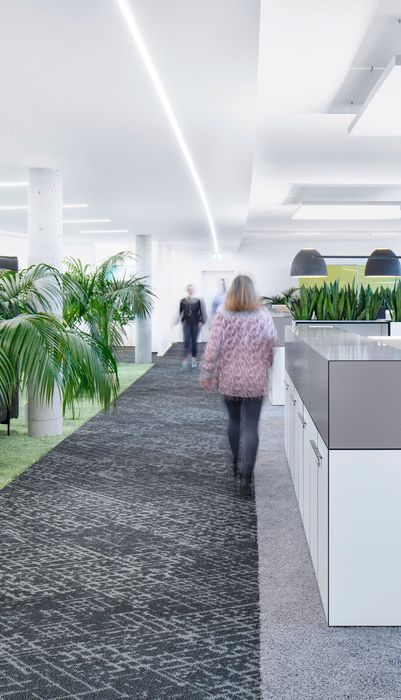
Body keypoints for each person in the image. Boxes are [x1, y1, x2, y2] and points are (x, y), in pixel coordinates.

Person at [200, 275, 277, 495]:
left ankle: (236, 463)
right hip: (255, 379)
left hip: (229, 379)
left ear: (231, 293)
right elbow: (271, 341)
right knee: (251, 427)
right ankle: (246, 477)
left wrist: (207, 371)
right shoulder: (263, 315)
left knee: (234, 422)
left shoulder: (222, 316)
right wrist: (266, 363)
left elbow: (213, 347)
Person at [179, 284, 207, 369]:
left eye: (191, 289)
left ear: (193, 290)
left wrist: (201, 321)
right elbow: (180, 312)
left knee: (194, 342)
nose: (190, 290)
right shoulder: (183, 301)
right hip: (187, 324)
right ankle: (185, 359)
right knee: (187, 341)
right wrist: (182, 321)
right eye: (189, 289)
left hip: (195, 324)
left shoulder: (197, 301)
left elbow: (201, 312)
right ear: (187, 290)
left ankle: (194, 359)